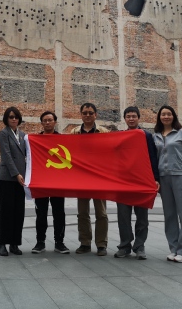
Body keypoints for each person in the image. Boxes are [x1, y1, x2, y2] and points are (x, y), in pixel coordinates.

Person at [114, 106, 159, 260]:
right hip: (123, 182)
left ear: (138, 118)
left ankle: (140, 246)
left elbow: (153, 157)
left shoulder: (146, 136)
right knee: (123, 216)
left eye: (134, 116)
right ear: (125, 119)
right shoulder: (121, 136)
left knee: (142, 217)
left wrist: (155, 178)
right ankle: (124, 246)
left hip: (142, 181)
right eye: (128, 116)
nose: (131, 119)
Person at [153, 105, 182, 263]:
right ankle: (174, 248)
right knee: (169, 215)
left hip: (180, 176)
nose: (166, 117)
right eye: (163, 114)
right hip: (164, 178)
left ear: (173, 116)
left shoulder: (181, 133)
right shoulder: (156, 135)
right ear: (159, 117)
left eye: (169, 114)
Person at [71, 102, 109, 256]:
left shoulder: (104, 132)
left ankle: (101, 244)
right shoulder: (74, 132)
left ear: (95, 115)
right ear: (81, 115)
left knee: (102, 213)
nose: (88, 115)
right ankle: (85, 243)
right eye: (85, 113)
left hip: (99, 177)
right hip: (81, 178)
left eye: (90, 113)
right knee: (82, 213)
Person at [31, 111, 69, 255]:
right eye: (45, 120)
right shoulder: (36, 140)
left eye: (50, 120)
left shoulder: (62, 140)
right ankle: (40, 242)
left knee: (59, 213)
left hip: (58, 183)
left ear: (55, 122)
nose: (47, 122)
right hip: (41, 183)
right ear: (41, 123)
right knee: (41, 214)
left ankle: (59, 242)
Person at [0, 107, 27, 256]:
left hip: (21, 179)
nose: (14, 119)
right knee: (5, 212)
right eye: (11, 117)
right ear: (6, 119)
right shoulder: (3, 134)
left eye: (16, 117)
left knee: (18, 212)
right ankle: (2, 243)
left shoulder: (23, 135)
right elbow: (6, 155)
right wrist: (16, 174)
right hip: (7, 177)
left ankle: (15, 243)